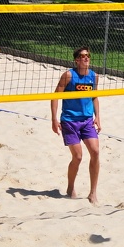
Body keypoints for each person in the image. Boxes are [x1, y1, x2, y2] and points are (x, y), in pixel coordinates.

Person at [51, 46, 101, 204]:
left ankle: (93, 193)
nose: (86, 58)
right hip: (69, 121)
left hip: (87, 120)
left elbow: (94, 97)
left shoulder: (94, 76)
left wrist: (98, 116)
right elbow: (55, 96)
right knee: (78, 157)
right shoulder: (68, 75)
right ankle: (70, 187)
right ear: (76, 60)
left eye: (88, 56)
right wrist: (54, 119)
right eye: (82, 56)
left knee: (95, 152)